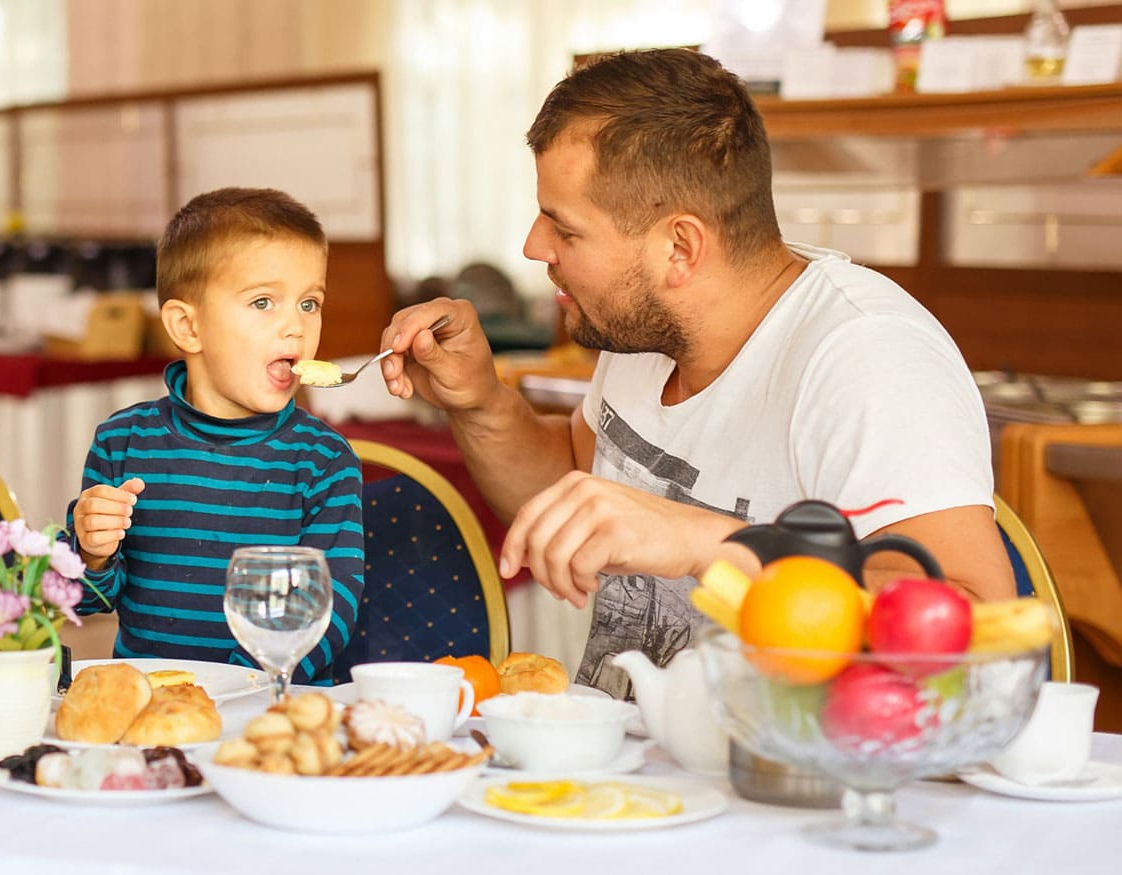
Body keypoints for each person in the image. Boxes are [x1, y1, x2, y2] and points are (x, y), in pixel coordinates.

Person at [378, 49, 1015, 698]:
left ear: (679, 247)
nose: (533, 246)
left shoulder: (868, 357)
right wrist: (480, 403)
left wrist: (711, 543)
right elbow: (572, 494)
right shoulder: (645, 325)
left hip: (786, 759)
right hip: (628, 753)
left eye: (564, 229)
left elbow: (976, 634)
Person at [68, 187, 363, 684]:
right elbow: (88, 600)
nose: (296, 326)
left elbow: (330, 606)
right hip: (154, 703)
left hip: (271, 705)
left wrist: (240, 686)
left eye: (309, 303)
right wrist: (91, 552)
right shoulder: (122, 441)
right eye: (264, 301)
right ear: (188, 327)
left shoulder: (324, 460)